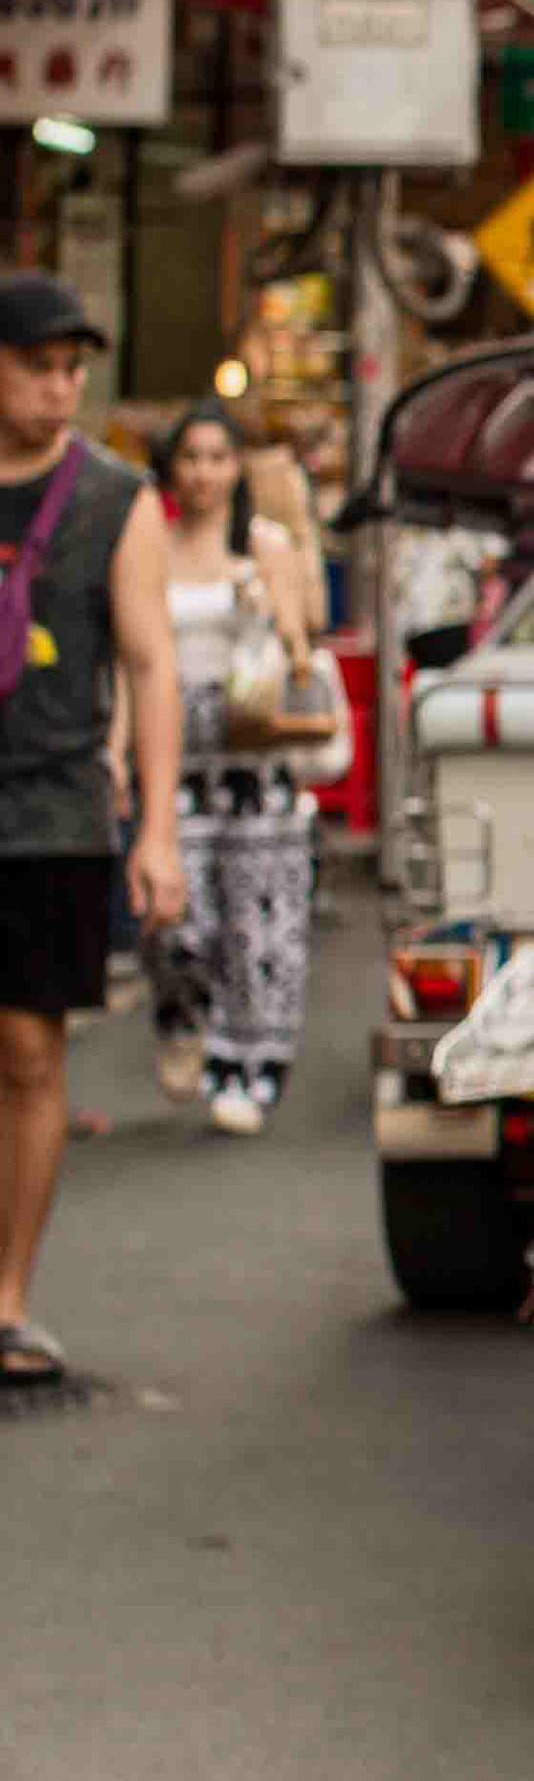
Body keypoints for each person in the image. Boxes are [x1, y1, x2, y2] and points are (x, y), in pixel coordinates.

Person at [0, 270, 182, 1388]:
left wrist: (158, 828)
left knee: (29, 1050)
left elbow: (152, 664)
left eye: (74, 369)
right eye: (37, 366)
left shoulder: (117, 498)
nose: (60, 387)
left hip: (53, 809)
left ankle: (8, 1298)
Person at [143, 395, 326, 1134]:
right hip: (173, 756)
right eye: (190, 457)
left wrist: (270, 602)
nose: (204, 472)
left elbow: (302, 640)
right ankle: (183, 1019)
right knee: (174, 918)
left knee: (260, 924)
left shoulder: (265, 544)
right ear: (171, 468)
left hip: (254, 751)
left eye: (218, 458)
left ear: (236, 467)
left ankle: (248, 1070)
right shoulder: (149, 543)